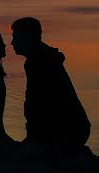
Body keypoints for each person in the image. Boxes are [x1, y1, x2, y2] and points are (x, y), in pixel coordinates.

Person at [11, 17, 90, 148]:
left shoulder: (39, 62)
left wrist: (33, 139)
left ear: (27, 38)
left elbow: (37, 104)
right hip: (73, 130)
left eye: (16, 37)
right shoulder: (43, 58)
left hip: (68, 133)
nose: (12, 42)